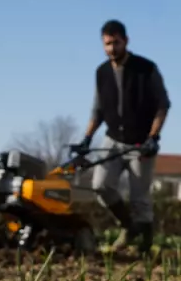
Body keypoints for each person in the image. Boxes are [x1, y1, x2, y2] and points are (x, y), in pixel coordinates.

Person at [72, 20, 171, 254]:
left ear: (126, 41)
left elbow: (163, 105)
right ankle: (128, 227)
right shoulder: (102, 72)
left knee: (140, 198)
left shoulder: (146, 69)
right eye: (107, 44)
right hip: (112, 139)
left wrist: (153, 137)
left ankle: (144, 248)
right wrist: (87, 138)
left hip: (140, 143)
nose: (111, 48)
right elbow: (97, 109)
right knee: (101, 185)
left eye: (116, 42)